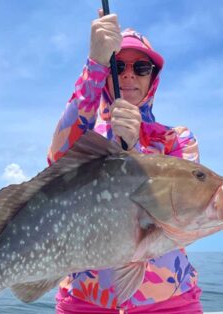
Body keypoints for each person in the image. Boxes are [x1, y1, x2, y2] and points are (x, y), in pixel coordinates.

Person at [48, 10, 203, 314]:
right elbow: (57, 159)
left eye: (141, 67)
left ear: (152, 79)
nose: (129, 74)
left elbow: (187, 212)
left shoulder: (177, 140)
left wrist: (135, 151)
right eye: (117, 66)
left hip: (170, 302)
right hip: (84, 300)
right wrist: (95, 62)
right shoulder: (86, 136)